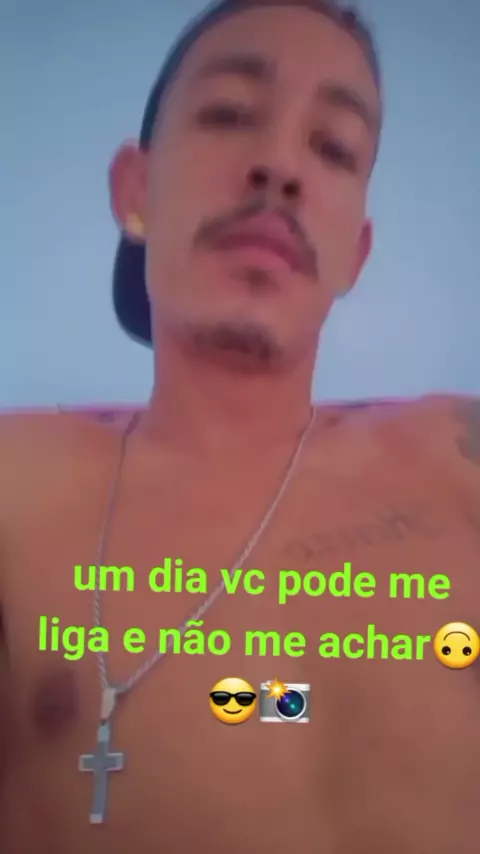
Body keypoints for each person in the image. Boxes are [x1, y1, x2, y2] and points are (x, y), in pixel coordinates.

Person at [1, 1, 479, 852]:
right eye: (228, 114)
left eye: (333, 148)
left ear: (355, 252)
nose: (281, 166)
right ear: (135, 191)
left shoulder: (457, 453)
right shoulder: (19, 486)